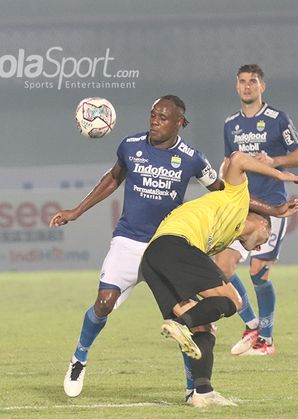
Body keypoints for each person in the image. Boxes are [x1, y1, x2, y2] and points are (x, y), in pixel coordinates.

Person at [49, 95, 222, 398]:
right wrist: (76, 211)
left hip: (167, 246)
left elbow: (220, 192)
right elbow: (113, 179)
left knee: (183, 318)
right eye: (153, 115)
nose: (155, 120)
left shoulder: (193, 158)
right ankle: (79, 358)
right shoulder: (131, 146)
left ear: (180, 122)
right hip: (129, 241)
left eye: (163, 117)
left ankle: (193, 388)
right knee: (103, 303)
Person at [141, 151, 298, 407]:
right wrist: (279, 174)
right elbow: (238, 158)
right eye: (261, 243)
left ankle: (202, 392)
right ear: (264, 225)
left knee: (204, 327)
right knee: (233, 300)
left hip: (153, 258)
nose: (254, 249)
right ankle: (182, 323)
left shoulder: (223, 236)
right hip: (175, 243)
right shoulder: (236, 198)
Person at [214, 64, 298, 357]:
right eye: (242, 82)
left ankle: (266, 341)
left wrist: (274, 162)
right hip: (241, 205)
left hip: (271, 207)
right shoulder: (230, 124)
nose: (247, 87)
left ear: (262, 87)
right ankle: (252, 324)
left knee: (259, 274)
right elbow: (228, 162)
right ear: (236, 86)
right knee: (221, 267)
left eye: (252, 82)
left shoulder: (277, 119)